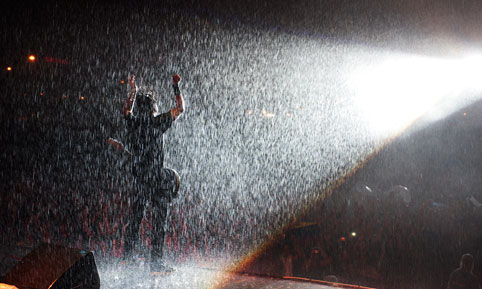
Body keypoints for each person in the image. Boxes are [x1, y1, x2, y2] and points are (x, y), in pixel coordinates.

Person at [109, 73, 184, 274]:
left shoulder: (134, 123)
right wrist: (176, 86)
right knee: (159, 220)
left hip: (140, 177)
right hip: (156, 178)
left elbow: (126, 110)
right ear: (153, 108)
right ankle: (156, 264)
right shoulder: (157, 122)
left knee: (136, 216)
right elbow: (181, 108)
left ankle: (127, 256)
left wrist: (133, 91)